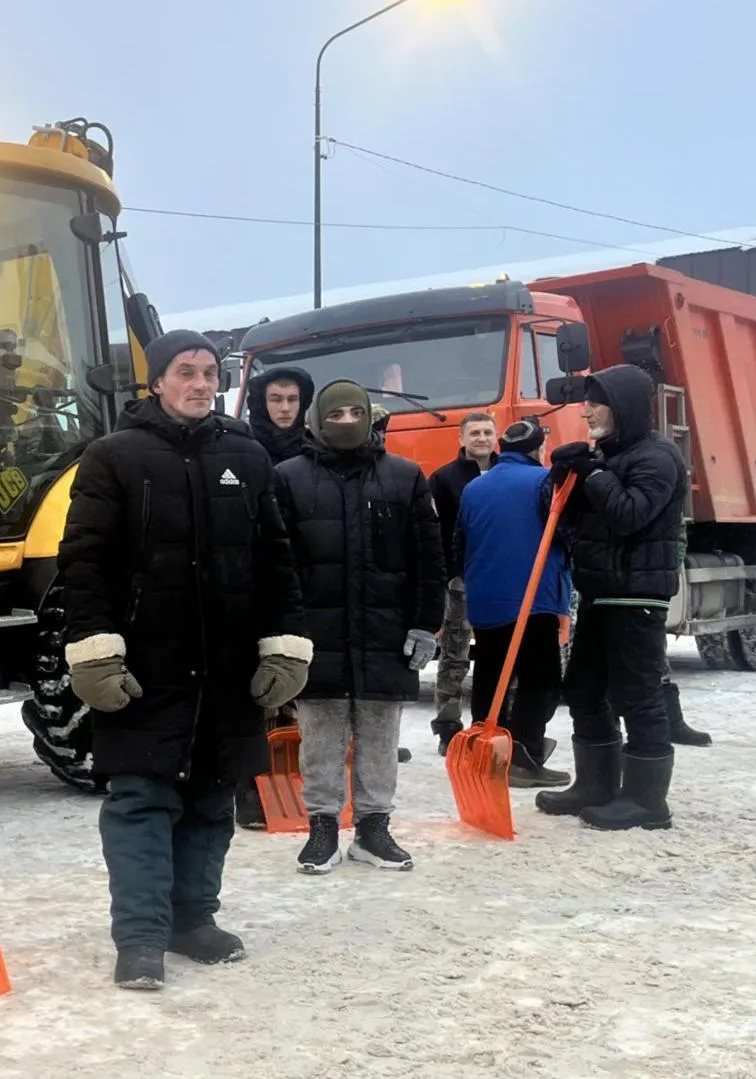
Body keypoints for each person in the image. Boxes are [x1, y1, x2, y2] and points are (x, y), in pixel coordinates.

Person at [59, 329, 310, 991]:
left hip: (227, 665)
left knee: (211, 796)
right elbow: (84, 563)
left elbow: (276, 561)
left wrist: (284, 644)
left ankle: (193, 919)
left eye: (209, 373)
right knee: (142, 799)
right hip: (147, 664)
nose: (201, 383)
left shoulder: (247, 456)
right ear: (157, 381)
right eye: (186, 372)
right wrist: (94, 651)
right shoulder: (112, 456)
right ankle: (142, 936)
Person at [274, 379, 445, 874]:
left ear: (370, 417)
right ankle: (322, 827)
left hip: (385, 633)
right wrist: (282, 633)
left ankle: (373, 828)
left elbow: (429, 560)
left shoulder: (405, 477)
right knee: (320, 736)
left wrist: (424, 624)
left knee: (379, 735)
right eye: (336, 414)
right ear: (316, 421)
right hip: (317, 635)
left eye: (355, 412)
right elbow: (276, 564)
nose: (347, 421)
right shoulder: (288, 478)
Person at [536, 365, 688, 830]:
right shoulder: (606, 455)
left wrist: (594, 472)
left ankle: (647, 800)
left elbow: (630, 514)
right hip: (600, 592)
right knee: (582, 689)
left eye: (596, 403)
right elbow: (564, 519)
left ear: (623, 407)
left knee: (636, 695)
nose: (586, 412)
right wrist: (559, 478)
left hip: (636, 595)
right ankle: (596, 784)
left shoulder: (658, 457)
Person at [456, 418, 570, 787]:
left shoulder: (474, 487)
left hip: (485, 599)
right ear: (537, 449)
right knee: (541, 680)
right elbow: (566, 534)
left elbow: (459, 543)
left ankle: (484, 755)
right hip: (533, 598)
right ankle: (524, 756)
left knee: (490, 677)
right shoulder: (546, 481)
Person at [232, 364, 316, 829]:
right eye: (276, 400)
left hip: (303, 579)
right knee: (258, 688)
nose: (285, 409)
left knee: (298, 688)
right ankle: (251, 788)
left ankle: (299, 783)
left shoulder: (315, 452)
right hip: (254, 581)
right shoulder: (242, 450)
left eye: (293, 400)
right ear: (260, 403)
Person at [428, 412, 497, 755]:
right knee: (454, 655)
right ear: (462, 439)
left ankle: (493, 723)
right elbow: (435, 531)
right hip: (461, 580)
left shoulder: (507, 474)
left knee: (498, 653)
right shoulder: (443, 479)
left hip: (500, 579)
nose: (482, 438)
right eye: (475, 433)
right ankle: (448, 727)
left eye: (487, 432)